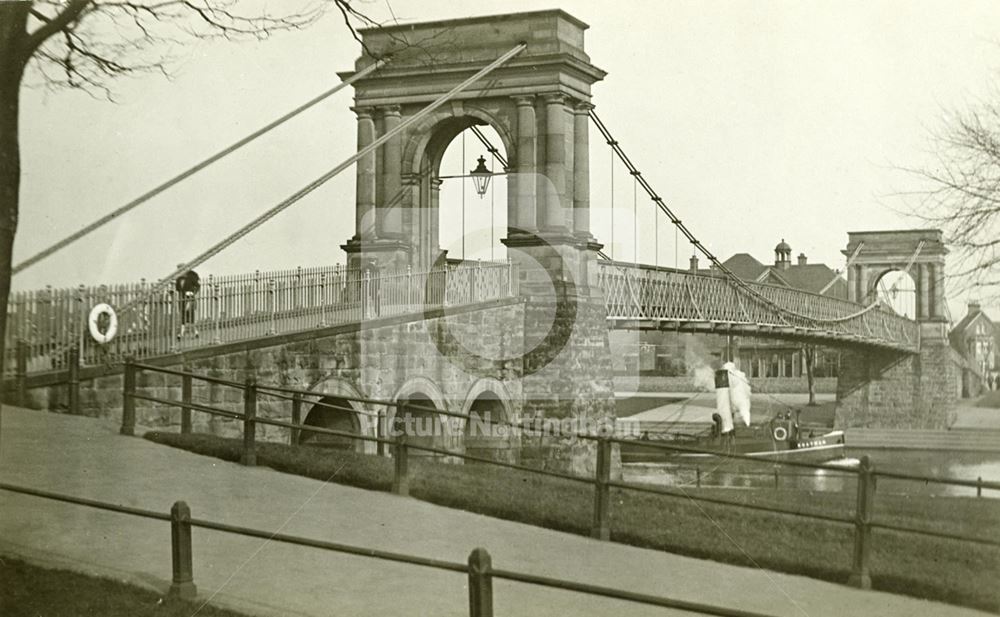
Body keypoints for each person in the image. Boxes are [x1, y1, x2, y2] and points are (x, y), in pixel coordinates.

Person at [175, 267, 201, 339]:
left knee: (190, 315)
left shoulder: (191, 277)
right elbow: (177, 289)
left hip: (190, 299)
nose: (180, 271)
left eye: (181, 269)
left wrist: (193, 293)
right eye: (179, 270)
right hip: (181, 299)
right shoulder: (178, 279)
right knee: (183, 315)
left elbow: (198, 286)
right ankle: (181, 333)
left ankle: (195, 332)